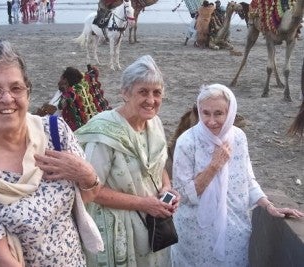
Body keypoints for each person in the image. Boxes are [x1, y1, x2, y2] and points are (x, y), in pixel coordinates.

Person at [0, 41, 103, 266]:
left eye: (16, 88)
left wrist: (87, 174)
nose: (7, 98)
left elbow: (89, 196)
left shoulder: (56, 133)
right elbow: (3, 259)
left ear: (28, 93)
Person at [171, 84, 304, 267]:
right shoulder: (187, 142)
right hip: (196, 235)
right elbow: (183, 195)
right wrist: (214, 166)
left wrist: (268, 205)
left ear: (230, 112)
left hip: (233, 230)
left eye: (218, 113)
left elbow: (247, 180)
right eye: (205, 113)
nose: (211, 121)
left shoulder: (239, 138)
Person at [75, 55, 180, 267]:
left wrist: (168, 189)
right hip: (118, 231)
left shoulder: (155, 124)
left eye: (157, 93)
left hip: (153, 227)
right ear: (125, 93)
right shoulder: (104, 133)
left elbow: (158, 166)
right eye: (143, 92)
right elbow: (91, 191)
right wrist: (144, 204)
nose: (151, 100)